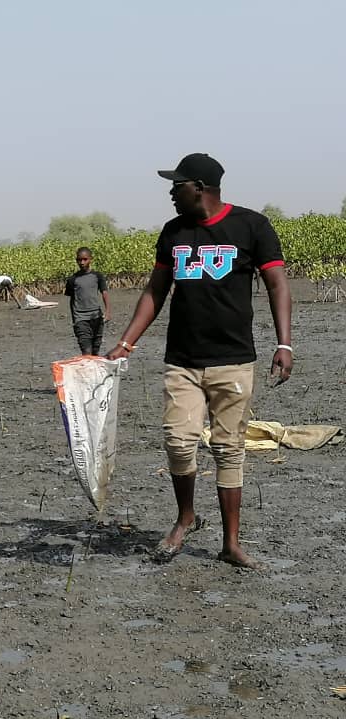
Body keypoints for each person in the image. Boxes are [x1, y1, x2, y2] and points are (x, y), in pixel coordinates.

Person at [107, 153, 292, 570]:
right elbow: (155, 292)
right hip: (183, 361)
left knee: (229, 450)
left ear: (200, 188)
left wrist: (286, 344)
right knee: (178, 441)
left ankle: (231, 543)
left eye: (177, 186)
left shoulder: (251, 225)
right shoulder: (173, 233)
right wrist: (126, 344)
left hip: (233, 360)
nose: (171, 194)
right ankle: (185, 517)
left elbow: (277, 283)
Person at [64, 247, 111, 354]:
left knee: (95, 350)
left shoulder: (97, 276)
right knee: (86, 351)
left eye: (85, 259)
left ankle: (93, 371)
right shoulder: (72, 279)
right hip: (81, 319)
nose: (82, 262)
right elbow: (72, 300)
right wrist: (75, 320)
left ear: (90, 259)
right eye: (79, 260)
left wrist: (107, 312)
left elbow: (105, 293)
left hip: (96, 317)